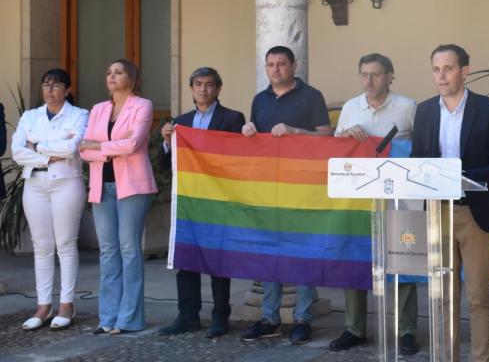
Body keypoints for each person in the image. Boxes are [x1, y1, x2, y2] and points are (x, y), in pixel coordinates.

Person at [411, 44, 489, 362]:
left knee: (479, 297)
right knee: (443, 297)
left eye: (448, 68)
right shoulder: (425, 111)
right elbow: (417, 161)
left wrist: (462, 175)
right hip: (437, 213)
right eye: (436, 69)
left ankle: (482, 359)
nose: (441, 75)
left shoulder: (488, 110)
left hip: (475, 213)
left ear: (465, 71)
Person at [240, 46, 332, 345]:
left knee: (303, 252)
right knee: (269, 252)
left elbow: (326, 136)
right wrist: (249, 131)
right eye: (270, 65)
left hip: (304, 187)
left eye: (281, 64)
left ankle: (303, 318)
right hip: (268, 188)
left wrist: (295, 131)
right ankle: (270, 318)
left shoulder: (311, 96)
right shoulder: (260, 99)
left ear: (294, 65)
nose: (276, 69)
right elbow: (257, 143)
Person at [331, 53, 419, 355]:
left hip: (399, 197)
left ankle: (407, 330)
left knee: (404, 257)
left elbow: (421, 149)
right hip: (358, 197)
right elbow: (335, 148)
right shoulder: (350, 107)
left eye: (376, 74)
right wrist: (345, 136)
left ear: (390, 76)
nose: (369, 80)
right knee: (355, 258)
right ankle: (354, 328)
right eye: (364, 74)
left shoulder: (408, 108)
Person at [157, 67, 246, 338]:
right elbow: (164, 166)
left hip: (219, 199)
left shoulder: (232, 118)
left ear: (218, 88)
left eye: (208, 85)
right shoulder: (180, 122)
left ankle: (220, 317)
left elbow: (238, 159)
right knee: (186, 258)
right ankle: (187, 316)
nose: (203, 89)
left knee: (218, 259)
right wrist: (166, 143)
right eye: (197, 84)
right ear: (191, 88)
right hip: (188, 200)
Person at [79, 59, 157, 335]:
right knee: (108, 252)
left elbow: (134, 144)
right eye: (108, 72)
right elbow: (83, 151)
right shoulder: (99, 109)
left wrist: (99, 146)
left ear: (131, 77)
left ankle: (130, 318)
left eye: (118, 72)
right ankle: (107, 318)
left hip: (133, 187)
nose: (112, 76)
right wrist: (110, 148)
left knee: (129, 250)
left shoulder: (142, 105)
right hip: (103, 187)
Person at [12, 69, 89, 331]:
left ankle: (67, 304)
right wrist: (48, 154)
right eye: (46, 85)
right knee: (42, 246)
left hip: (66, 182)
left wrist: (39, 145)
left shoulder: (79, 115)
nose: (50, 90)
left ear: (67, 90)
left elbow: (72, 148)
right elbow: (17, 152)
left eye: (56, 85)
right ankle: (43, 306)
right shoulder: (30, 116)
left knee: (66, 244)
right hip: (35, 183)